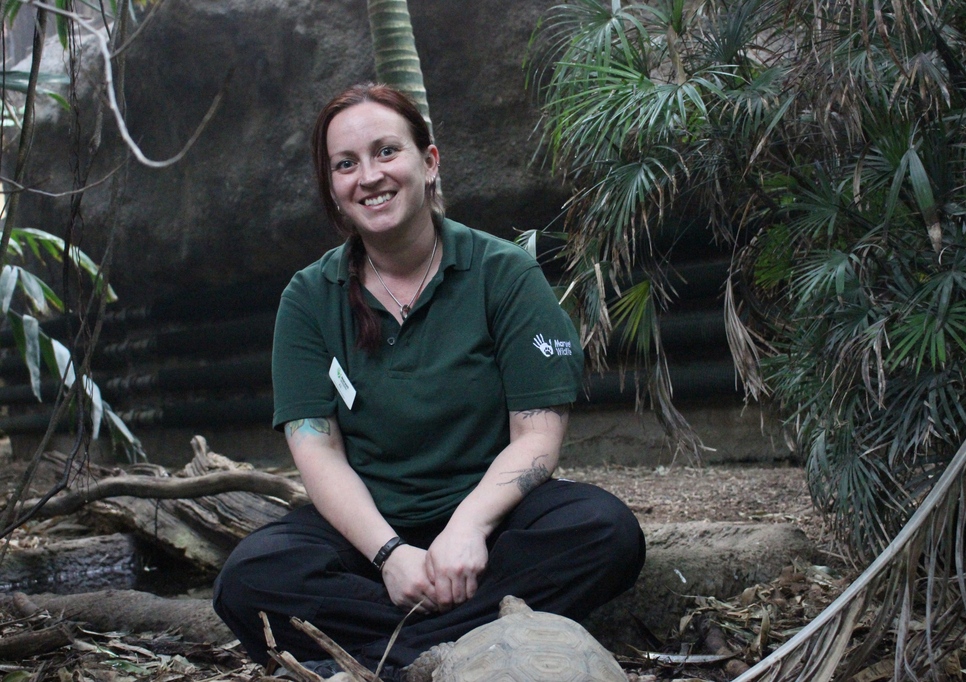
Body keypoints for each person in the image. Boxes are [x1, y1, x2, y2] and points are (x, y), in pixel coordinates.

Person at [212, 83, 645, 680]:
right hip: (370, 535)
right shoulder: (310, 297)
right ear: (333, 189)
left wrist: (468, 528)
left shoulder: (503, 273)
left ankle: (382, 659)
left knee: (606, 531)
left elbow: (537, 438)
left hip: (492, 525)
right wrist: (389, 555)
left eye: (386, 151)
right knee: (248, 578)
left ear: (429, 162)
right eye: (346, 164)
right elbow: (316, 451)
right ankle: (454, 647)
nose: (369, 176)